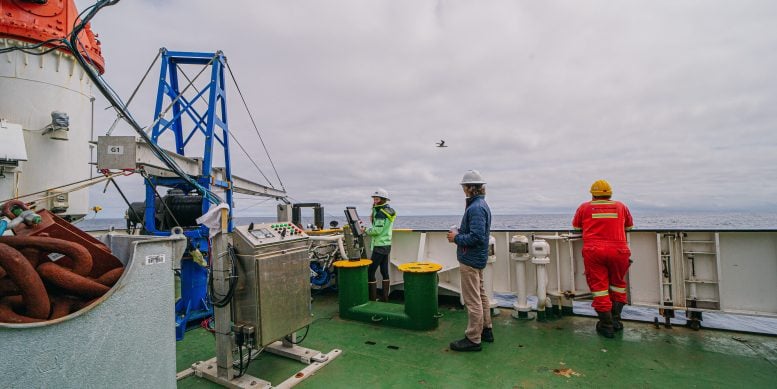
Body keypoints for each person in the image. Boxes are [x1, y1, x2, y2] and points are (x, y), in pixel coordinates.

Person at [572, 179, 633, 338]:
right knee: (618, 285)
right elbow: (629, 227)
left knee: (599, 288)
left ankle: (606, 325)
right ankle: (616, 320)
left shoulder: (584, 207)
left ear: (593, 194)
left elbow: (576, 228)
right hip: (619, 250)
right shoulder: (621, 206)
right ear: (610, 194)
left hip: (594, 251)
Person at [447, 170, 493, 352]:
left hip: (470, 260)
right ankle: (486, 330)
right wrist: (460, 232)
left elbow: (477, 237)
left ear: (469, 188)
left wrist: (456, 238)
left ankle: (474, 339)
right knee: (481, 295)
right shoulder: (481, 205)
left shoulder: (475, 208)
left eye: (464, 187)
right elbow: (477, 233)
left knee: (472, 300)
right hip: (478, 258)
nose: (463, 190)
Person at [363, 188, 396, 302]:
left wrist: (365, 230)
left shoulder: (381, 213)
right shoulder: (387, 210)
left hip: (380, 246)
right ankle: (385, 298)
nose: (375, 200)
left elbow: (377, 230)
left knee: (371, 271)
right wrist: (374, 209)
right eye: (374, 198)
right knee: (384, 271)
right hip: (386, 244)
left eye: (377, 199)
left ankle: (372, 298)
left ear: (383, 199)